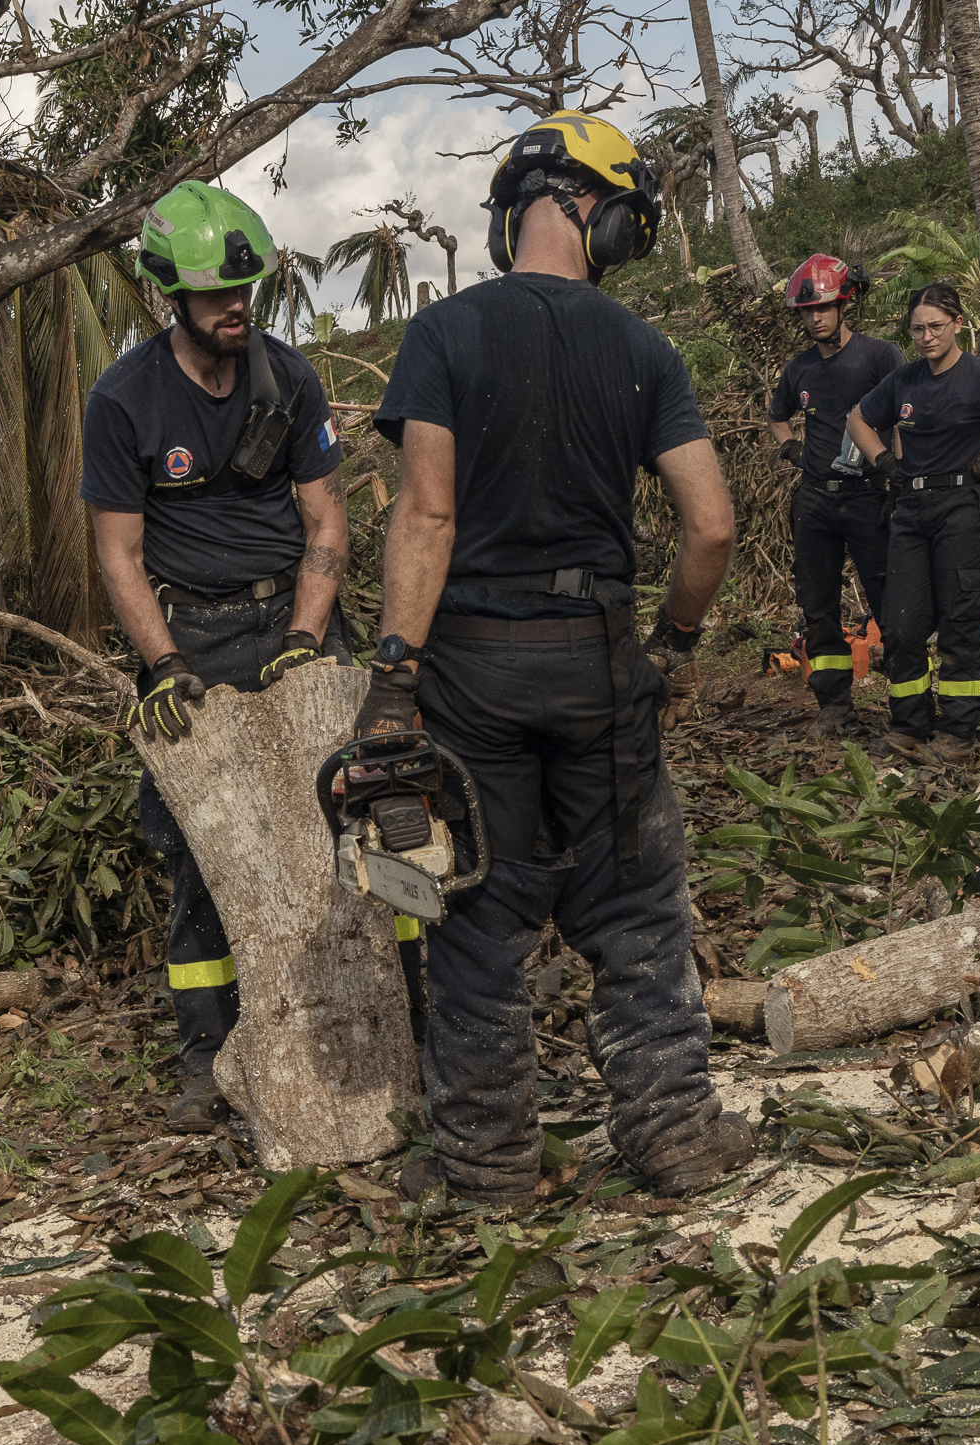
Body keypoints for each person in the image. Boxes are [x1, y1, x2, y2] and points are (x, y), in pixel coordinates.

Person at [368, 113, 753, 1207]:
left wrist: (394, 674)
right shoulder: (641, 350)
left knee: (479, 923)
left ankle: (487, 1166)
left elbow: (426, 517)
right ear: (587, 206)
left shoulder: (444, 334)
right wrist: (671, 647)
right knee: (635, 912)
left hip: (473, 669)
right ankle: (675, 1133)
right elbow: (712, 525)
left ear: (517, 208)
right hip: (600, 663)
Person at [86, 181, 397, 1132]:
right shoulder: (125, 400)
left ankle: (399, 1023)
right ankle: (205, 1056)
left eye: (248, 289)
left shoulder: (289, 379)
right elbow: (118, 554)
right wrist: (164, 664)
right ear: (167, 295)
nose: (238, 307)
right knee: (199, 854)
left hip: (291, 618)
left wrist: (308, 639)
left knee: (360, 822)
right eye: (218, 294)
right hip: (189, 633)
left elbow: (327, 517)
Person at [844, 282, 980, 764]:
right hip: (909, 509)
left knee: (959, 625)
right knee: (900, 626)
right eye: (918, 329)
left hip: (965, 511)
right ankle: (909, 726)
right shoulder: (904, 380)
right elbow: (857, 419)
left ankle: (958, 734)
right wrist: (883, 461)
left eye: (936, 326)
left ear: (958, 323)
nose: (926, 337)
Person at [766, 253, 901, 740]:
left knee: (891, 603)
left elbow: (901, 416)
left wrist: (898, 479)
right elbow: (777, 414)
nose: (815, 318)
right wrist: (790, 448)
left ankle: (908, 712)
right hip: (815, 502)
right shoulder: (797, 369)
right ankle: (834, 706)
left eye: (823, 307)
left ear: (844, 305)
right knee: (818, 605)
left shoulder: (879, 356)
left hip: (869, 496)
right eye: (806, 311)